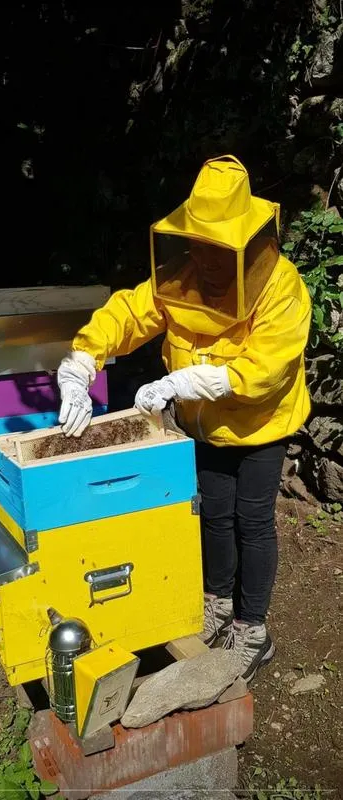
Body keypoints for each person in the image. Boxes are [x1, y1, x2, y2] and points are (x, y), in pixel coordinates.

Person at [56, 155, 311, 681]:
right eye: (197, 243)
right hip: (204, 425)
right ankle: (217, 603)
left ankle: (253, 629)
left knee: (253, 518)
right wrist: (81, 363)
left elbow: (265, 366)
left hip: (262, 424)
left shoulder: (281, 286)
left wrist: (184, 382)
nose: (205, 258)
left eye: (216, 248)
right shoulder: (182, 275)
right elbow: (130, 312)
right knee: (215, 511)